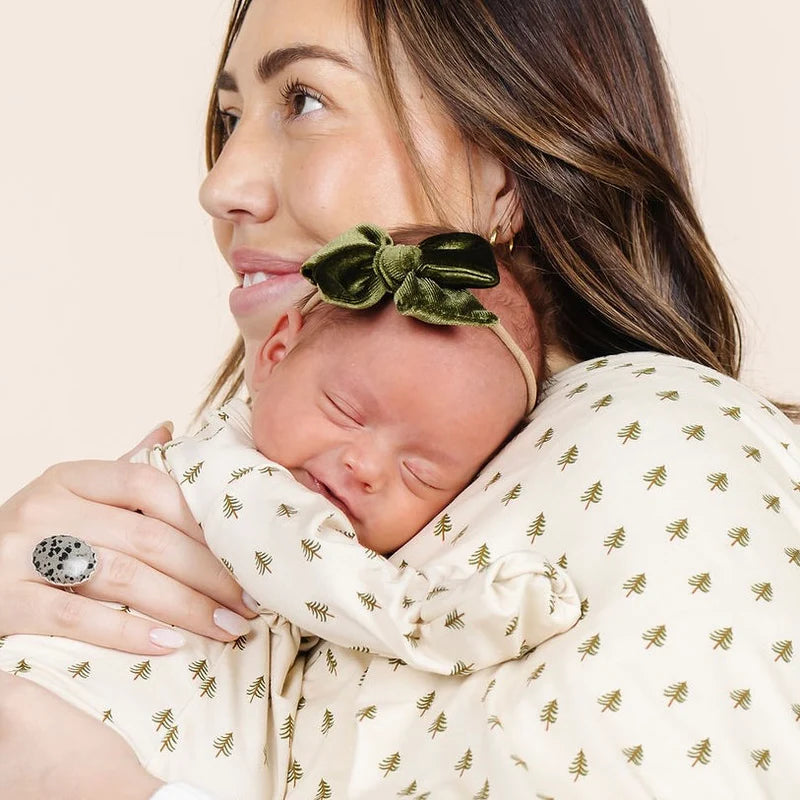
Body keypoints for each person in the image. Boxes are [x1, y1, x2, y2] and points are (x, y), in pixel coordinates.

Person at [0, 0, 797, 798]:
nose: (221, 183)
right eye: (230, 114)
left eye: (304, 99)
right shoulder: (269, 481)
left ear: (503, 169)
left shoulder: (660, 444)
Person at [0, 224, 580, 800]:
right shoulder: (228, 474)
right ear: (277, 355)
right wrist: (452, 615)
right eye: (346, 409)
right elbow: (316, 568)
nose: (366, 466)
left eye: (421, 472)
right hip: (50, 724)